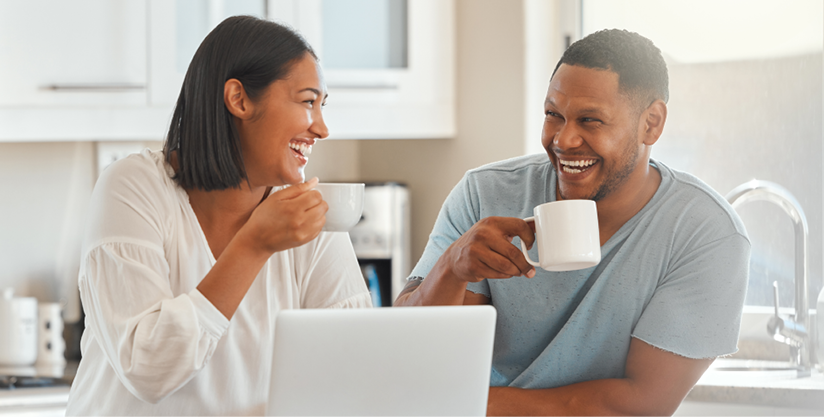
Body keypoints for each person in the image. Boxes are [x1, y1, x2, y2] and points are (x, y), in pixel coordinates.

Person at [395, 29, 750, 416]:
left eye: (590, 120)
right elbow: (413, 358)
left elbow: (639, 405)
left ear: (651, 123)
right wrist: (451, 267)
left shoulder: (706, 234)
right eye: (553, 115)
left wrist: (463, 404)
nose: (563, 140)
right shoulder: (484, 194)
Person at [66, 16, 372, 417]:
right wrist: (254, 245)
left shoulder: (308, 217)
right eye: (307, 102)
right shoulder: (133, 188)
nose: (321, 128)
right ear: (239, 99)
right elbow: (148, 370)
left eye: (322, 106)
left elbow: (354, 365)